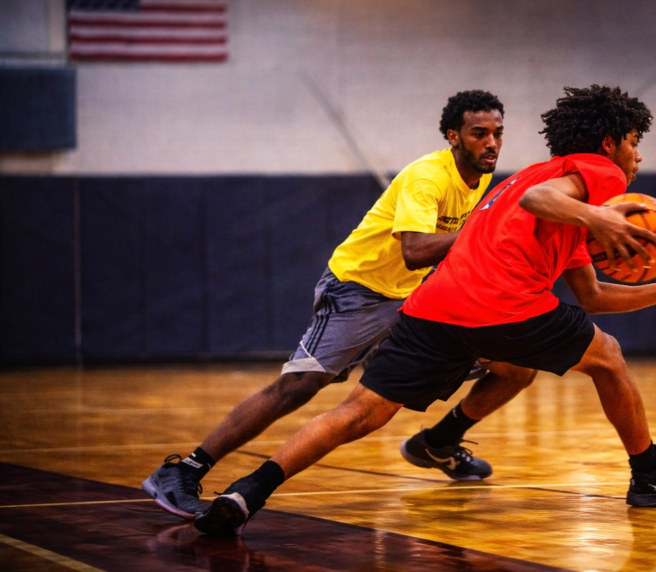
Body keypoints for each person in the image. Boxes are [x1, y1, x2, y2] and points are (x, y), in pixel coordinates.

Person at [194, 84, 656, 536]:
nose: (637, 157)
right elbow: (541, 201)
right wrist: (604, 219)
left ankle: (246, 493)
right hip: (501, 304)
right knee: (607, 356)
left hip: (434, 310)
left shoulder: (540, 182)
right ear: (609, 143)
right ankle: (649, 475)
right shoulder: (596, 172)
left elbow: (593, 296)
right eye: (634, 143)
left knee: (361, 412)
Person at [143, 89, 537, 520]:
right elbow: (416, 250)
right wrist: (486, 236)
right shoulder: (429, 176)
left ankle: (440, 441)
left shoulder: (480, 178)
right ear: (453, 136)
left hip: (412, 297)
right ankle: (185, 470)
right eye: (479, 133)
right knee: (299, 387)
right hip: (358, 290)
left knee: (516, 365)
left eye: (498, 133)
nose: (492, 143)